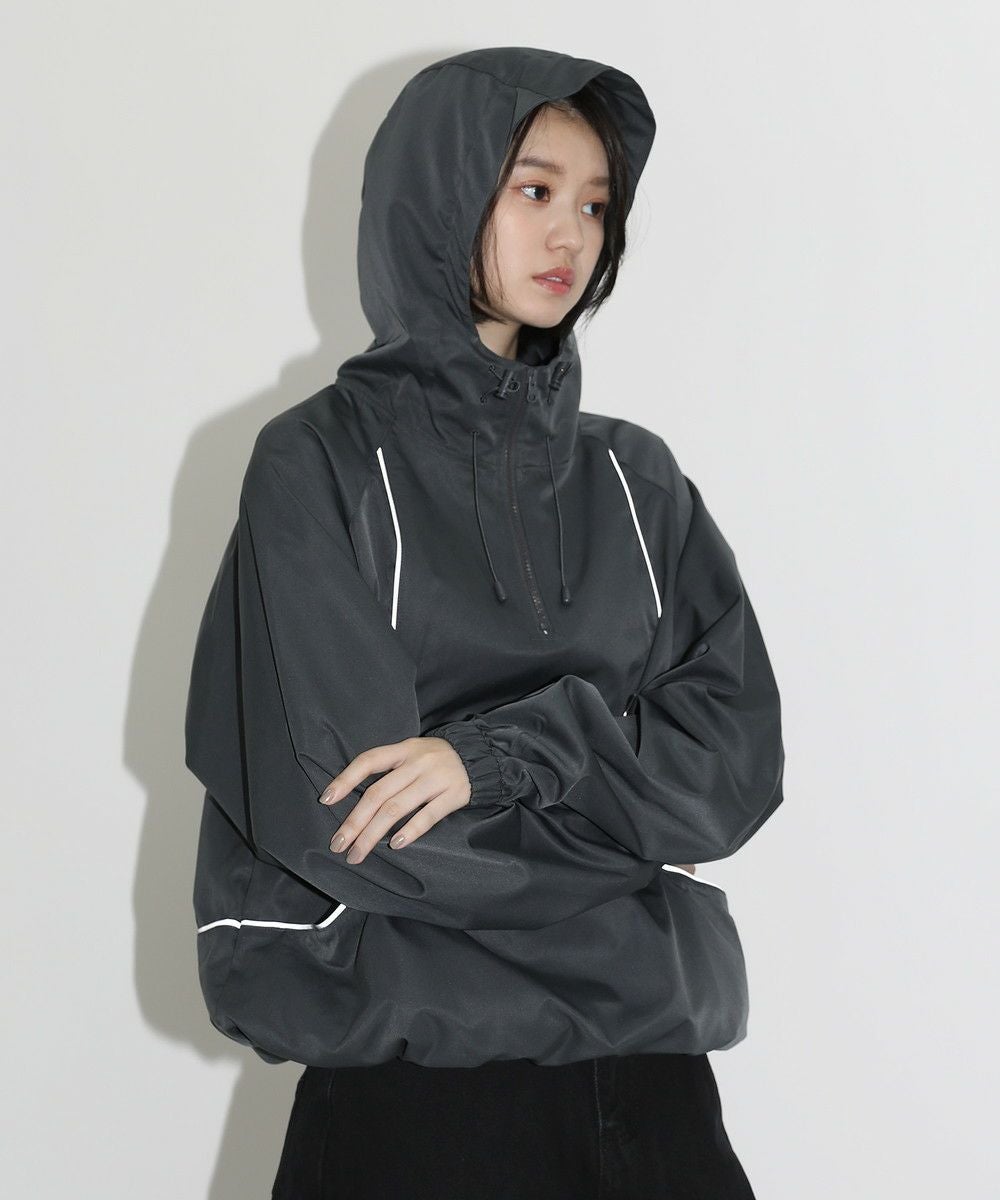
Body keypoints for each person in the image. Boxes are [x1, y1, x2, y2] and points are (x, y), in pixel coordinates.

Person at [185, 46, 785, 1200]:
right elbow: (361, 825)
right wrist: (624, 826)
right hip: (421, 1096)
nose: (571, 234)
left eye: (596, 204)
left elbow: (734, 772)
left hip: (650, 1088)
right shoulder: (316, 464)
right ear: (440, 191)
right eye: (534, 189)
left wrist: (502, 756)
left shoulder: (636, 480)